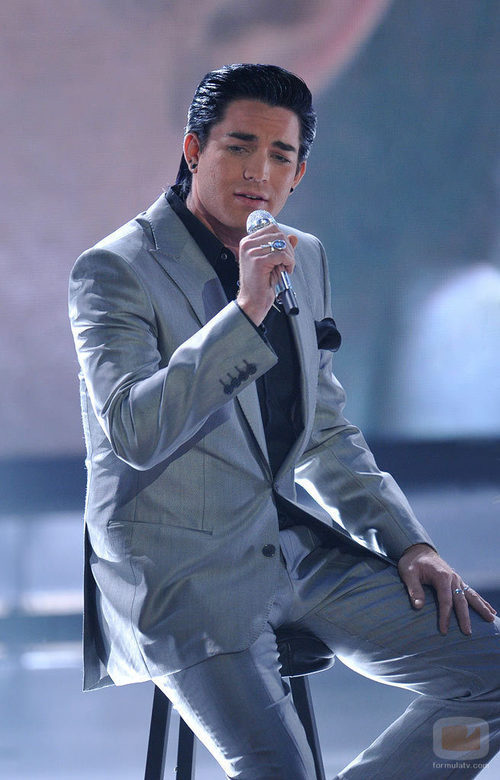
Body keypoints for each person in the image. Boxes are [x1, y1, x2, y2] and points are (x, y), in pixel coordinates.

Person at [69, 64, 499, 779]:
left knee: (492, 675)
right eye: (238, 147)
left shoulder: (303, 256)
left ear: (299, 173)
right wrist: (246, 313)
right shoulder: (114, 270)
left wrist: (408, 542)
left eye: (280, 155)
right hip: (178, 576)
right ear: (193, 150)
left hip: (288, 551)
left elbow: (324, 431)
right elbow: (135, 432)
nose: (258, 172)